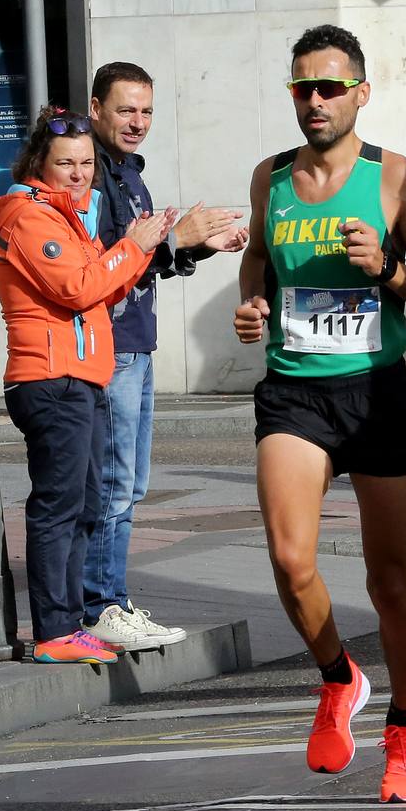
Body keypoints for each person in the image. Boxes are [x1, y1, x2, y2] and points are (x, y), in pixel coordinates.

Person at [232, 24, 406, 804]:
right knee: (290, 560)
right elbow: (255, 259)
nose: (315, 100)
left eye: (329, 87)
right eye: (303, 87)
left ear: (361, 93)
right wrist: (252, 304)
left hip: (375, 391)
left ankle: (404, 728)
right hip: (294, 390)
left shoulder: (395, 178)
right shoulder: (269, 178)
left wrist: (388, 270)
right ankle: (338, 676)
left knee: (389, 580)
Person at [0, 107, 174, 665]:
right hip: (50, 379)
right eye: (66, 163)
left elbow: (101, 292)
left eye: (87, 163)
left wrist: (143, 248)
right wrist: (132, 247)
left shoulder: (66, 218)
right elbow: (77, 288)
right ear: (39, 164)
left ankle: (69, 624)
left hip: (79, 378)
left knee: (87, 503)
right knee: (59, 505)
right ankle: (54, 631)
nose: (79, 173)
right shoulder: (30, 217)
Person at [81, 62, 246, 652]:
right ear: (96, 109)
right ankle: (99, 606)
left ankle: (112, 600)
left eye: (146, 111)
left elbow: (144, 262)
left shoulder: (130, 174)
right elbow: (102, 262)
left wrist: (195, 246)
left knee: (129, 486)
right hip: (110, 348)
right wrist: (178, 239)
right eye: (126, 110)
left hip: (136, 344)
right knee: (113, 485)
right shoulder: (90, 175)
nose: (138, 122)